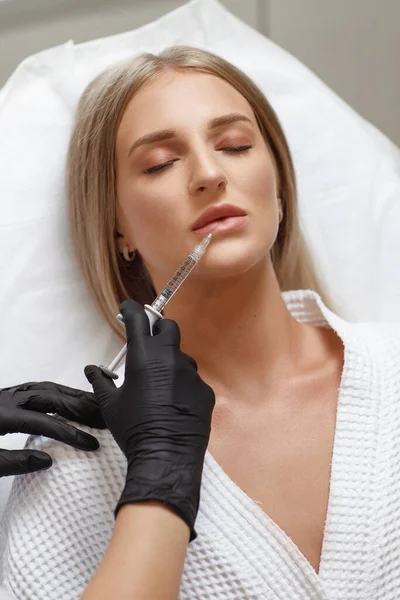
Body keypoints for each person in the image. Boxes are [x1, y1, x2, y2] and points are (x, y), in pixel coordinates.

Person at [1, 45, 399, 599]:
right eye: (160, 162)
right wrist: (158, 477)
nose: (210, 173)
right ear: (119, 231)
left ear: (279, 187)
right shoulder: (75, 464)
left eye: (235, 145)